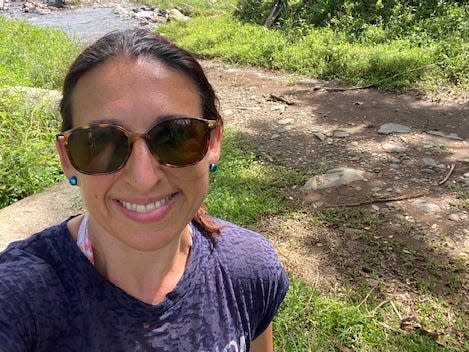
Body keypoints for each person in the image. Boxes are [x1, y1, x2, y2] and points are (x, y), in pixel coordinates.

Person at [0, 28, 288, 351]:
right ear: (68, 159)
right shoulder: (21, 300)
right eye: (102, 141)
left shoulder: (247, 272)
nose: (143, 177)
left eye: (176, 136)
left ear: (213, 142)